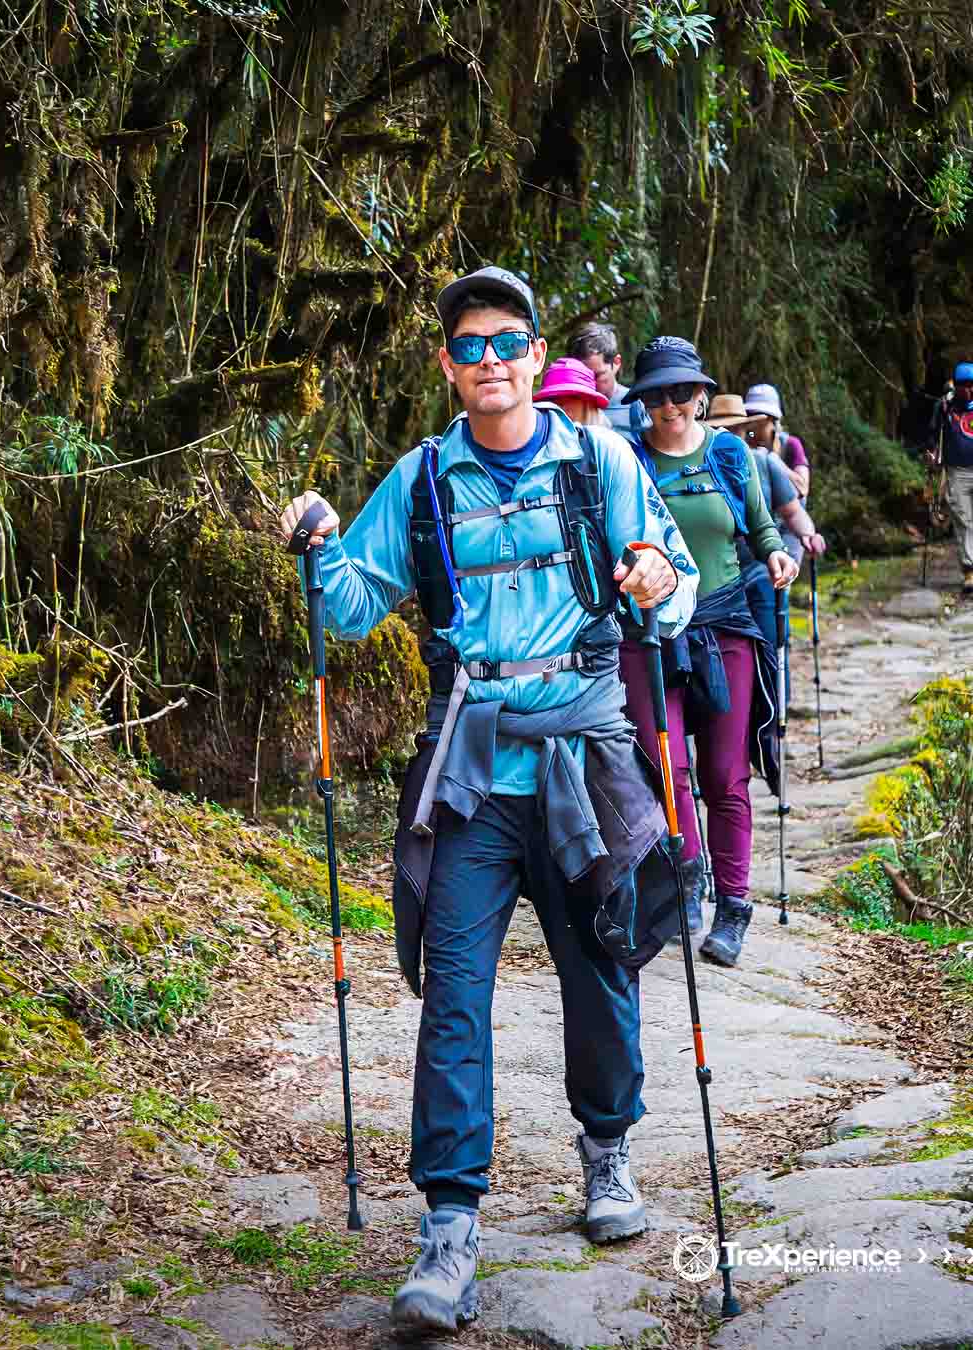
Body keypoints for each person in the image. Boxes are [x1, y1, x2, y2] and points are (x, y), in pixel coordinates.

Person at [279, 268, 698, 1337]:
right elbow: (351, 602)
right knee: (454, 991)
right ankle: (450, 1224)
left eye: (508, 341)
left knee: (602, 965)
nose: (493, 362)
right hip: (470, 771)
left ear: (533, 349)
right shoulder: (420, 482)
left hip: (585, 757)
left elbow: (674, 582)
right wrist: (317, 542)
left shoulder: (596, 457)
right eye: (471, 346)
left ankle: (608, 1151)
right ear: (448, 364)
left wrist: (656, 580)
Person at [616, 340, 798, 967]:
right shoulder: (628, 460)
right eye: (656, 394)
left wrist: (777, 553)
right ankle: (687, 882)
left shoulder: (730, 454)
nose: (669, 405)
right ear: (641, 402)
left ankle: (734, 907)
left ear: (700, 394)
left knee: (725, 773)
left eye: (680, 392)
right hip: (650, 633)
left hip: (724, 625)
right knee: (666, 765)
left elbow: (758, 523)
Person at [707, 395, 826, 654]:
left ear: (744, 431)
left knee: (769, 642)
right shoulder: (697, 466)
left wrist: (809, 533)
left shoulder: (763, 462)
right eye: (719, 430)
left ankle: (774, 691)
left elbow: (792, 510)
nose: (728, 436)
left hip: (760, 568)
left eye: (734, 430)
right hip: (715, 579)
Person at [928, 362, 973, 592]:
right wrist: (933, 453)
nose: (970, 390)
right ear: (958, 386)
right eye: (966, 385)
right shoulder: (945, 406)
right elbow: (934, 434)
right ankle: (970, 570)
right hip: (957, 470)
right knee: (963, 518)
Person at [744, 382, 811, 514]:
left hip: (791, 523)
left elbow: (803, 489)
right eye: (749, 413)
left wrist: (773, 459)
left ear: (770, 417)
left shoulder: (791, 444)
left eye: (756, 414)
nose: (751, 419)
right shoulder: (745, 441)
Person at [568, 322, 631, 420]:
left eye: (596, 376)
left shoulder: (635, 407)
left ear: (616, 363)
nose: (588, 385)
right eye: (580, 377)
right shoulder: (565, 408)